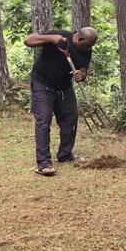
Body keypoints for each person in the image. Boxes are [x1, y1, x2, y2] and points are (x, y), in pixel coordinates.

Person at [23, 27, 98, 176]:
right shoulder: (61, 36)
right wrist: (50, 39)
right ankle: (44, 163)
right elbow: (28, 40)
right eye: (88, 45)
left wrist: (81, 74)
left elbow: (84, 70)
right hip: (43, 83)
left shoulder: (86, 51)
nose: (90, 48)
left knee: (71, 117)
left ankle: (65, 155)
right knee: (43, 121)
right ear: (80, 39)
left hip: (64, 85)